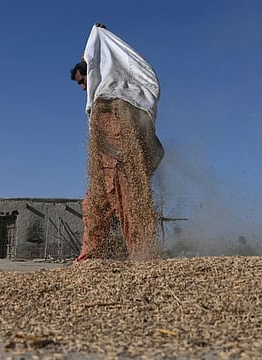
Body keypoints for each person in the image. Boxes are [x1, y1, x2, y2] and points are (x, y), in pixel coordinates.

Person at [70, 23, 164, 262]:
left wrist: (97, 35)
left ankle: (143, 254)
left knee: (128, 201)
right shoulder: (99, 99)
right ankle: (91, 255)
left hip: (119, 164)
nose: (83, 86)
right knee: (93, 205)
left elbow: (94, 56)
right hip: (103, 167)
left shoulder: (112, 97)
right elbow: (91, 56)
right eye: (80, 84)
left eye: (82, 80)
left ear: (89, 71)